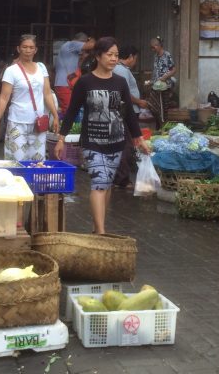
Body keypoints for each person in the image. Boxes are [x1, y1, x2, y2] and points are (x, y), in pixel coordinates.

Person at [56, 37, 149, 234]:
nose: (114, 59)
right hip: (92, 142)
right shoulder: (85, 82)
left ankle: (97, 226)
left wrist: (139, 139)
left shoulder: (120, 82)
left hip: (116, 140)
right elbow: (72, 111)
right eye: (109, 55)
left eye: (116, 55)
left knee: (106, 185)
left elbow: (128, 114)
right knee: (99, 184)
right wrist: (61, 138)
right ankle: (101, 232)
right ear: (98, 56)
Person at [0, 35, 59, 161]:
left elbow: (47, 93)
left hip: (38, 122)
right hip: (17, 122)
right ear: (18, 49)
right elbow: (4, 98)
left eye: (31, 47)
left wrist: (55, 116)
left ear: (35, 50)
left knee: (38, 160)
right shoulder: (11, 71)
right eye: (25, 47)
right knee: (17, 160)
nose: (28, 50)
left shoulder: (41, 68)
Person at [113, 46, 149, 188]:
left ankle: (120, 177)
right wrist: (139, 102)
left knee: (125, 143)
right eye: (135, 58)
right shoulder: (121, 70)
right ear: (130, 57)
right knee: (126, 144)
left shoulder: (121, 69)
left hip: (128, 111)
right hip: (127, 111)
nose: (135, 61)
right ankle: (122, 179)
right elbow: (125, 94)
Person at [54, 33, 88, 112]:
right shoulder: (71, 44)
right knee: (69, 110)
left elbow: (78, 67)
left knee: (72, 109)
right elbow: (91, 45)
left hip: (70, 84)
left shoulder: (73, 52)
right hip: (64, 84)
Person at [147, 36, 176, 128]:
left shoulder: (167, 55)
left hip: (165, 86)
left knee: (164, 108)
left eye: (153, 47)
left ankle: (163, 127)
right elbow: (155, 71)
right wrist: (151, 81)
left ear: (158, 45)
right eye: (151, 47)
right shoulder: (156, 56)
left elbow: (173, 70)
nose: (152, 49)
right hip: (156, 86)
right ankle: (159, 125)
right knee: (153, 106)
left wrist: (165, 77)